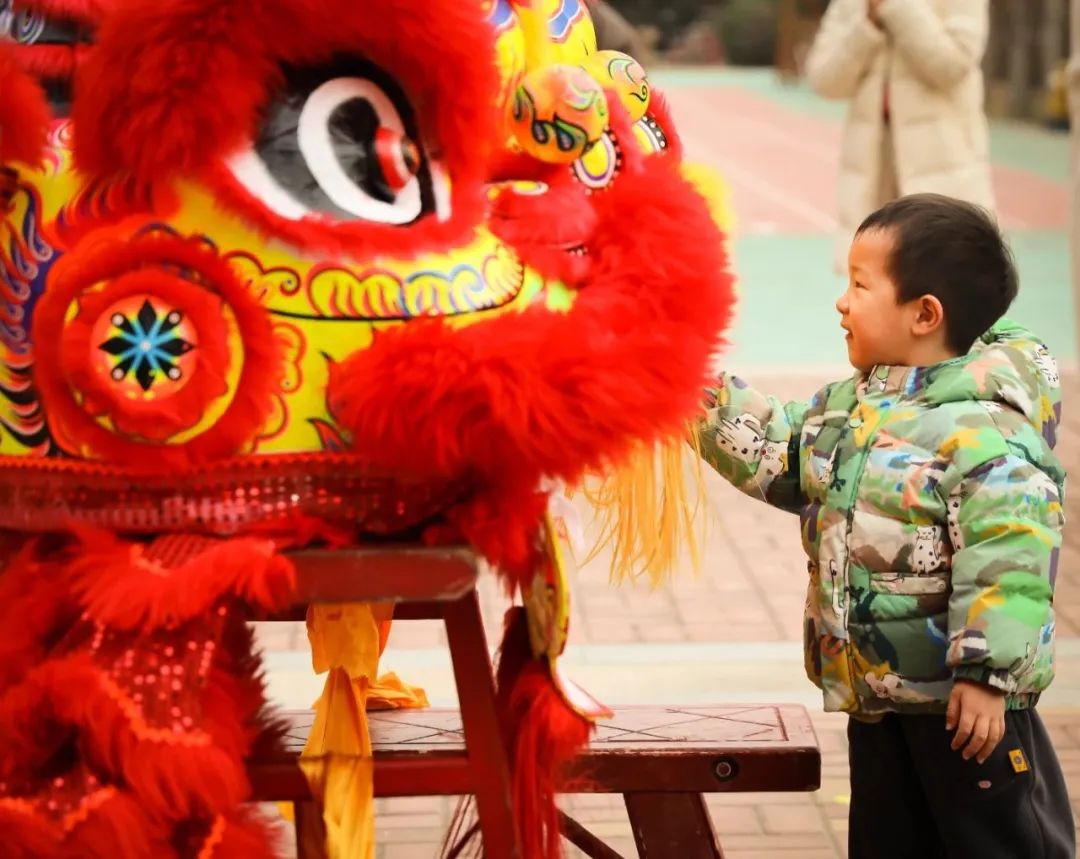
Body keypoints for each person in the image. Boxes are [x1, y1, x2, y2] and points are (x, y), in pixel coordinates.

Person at [695, 194, 1074, 859]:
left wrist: (989, 675)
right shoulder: (854, 408)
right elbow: (781, 454)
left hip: (969, 713)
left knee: (996, 843)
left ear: (925, 315)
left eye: (860, 285)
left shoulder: (984, 429)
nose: (842, 302)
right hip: (881, 702)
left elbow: (1012, 555)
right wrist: (689, 387)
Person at [804, 0, 994, 272]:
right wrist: (867, 25)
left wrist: (895, 7)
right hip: (872, 170)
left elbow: (953, 65)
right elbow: (824, 79)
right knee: (876, 288)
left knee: (947, 281)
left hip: (942, 166)